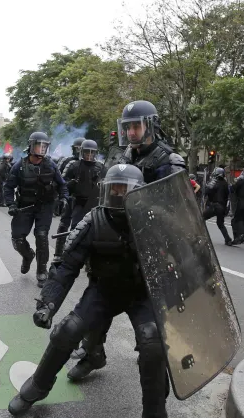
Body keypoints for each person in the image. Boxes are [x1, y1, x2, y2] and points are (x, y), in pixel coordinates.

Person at [8, 164, 169, 417]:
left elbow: (178, 262)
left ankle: (155, 411)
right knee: (67, 330)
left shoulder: (153, 220)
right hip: (104, 292)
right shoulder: (95, 221)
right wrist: (48, 303)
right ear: (105, 191)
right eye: (114, 190)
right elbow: (67, 266)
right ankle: (38, 386)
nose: (119, 196)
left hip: (141, 293)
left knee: (153, 343)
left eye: (125, 191)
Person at [69, 100, 175, 380]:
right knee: (96, 301)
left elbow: (175, 210)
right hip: (113, 240)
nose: (130, 132)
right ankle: (93, 354)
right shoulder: (122, 155)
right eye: (127, 127)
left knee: (150, 327)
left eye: (136, 126)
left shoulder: (168, 162)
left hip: (146, 247)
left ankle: (156, 377)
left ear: (150, 126)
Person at [3, 131, 68, 288]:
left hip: (44, 207)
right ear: (31, 146)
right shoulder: (19, 166)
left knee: (41, 236)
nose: (42, 149)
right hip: (24, 206)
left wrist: (64, 198)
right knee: (17, 239)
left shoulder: (51, 165)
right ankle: (27, 256)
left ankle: (41, 270)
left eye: (44, 146)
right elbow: (8, 187)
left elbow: (62, 184)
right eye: (39, 146)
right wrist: (11, 204)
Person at [54, 139, 104, 257]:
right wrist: (68, 187)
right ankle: (60, 254)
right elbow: (60, 182)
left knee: (95, 229)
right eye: (87, 152)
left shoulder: (100, 166)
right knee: (68, 227)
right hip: (74, 200)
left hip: (93, 202)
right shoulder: (71, 163)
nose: (89, 155)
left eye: (92, 152)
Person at [203, 167, 233, 245]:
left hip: (214, 206)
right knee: (220, 224)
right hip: (222, 207)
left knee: (201, 219)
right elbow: (228, 196)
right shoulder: (225, 183)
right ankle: (228, 239)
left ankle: (201, 236)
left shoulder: (214, 183)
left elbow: (206, 192)